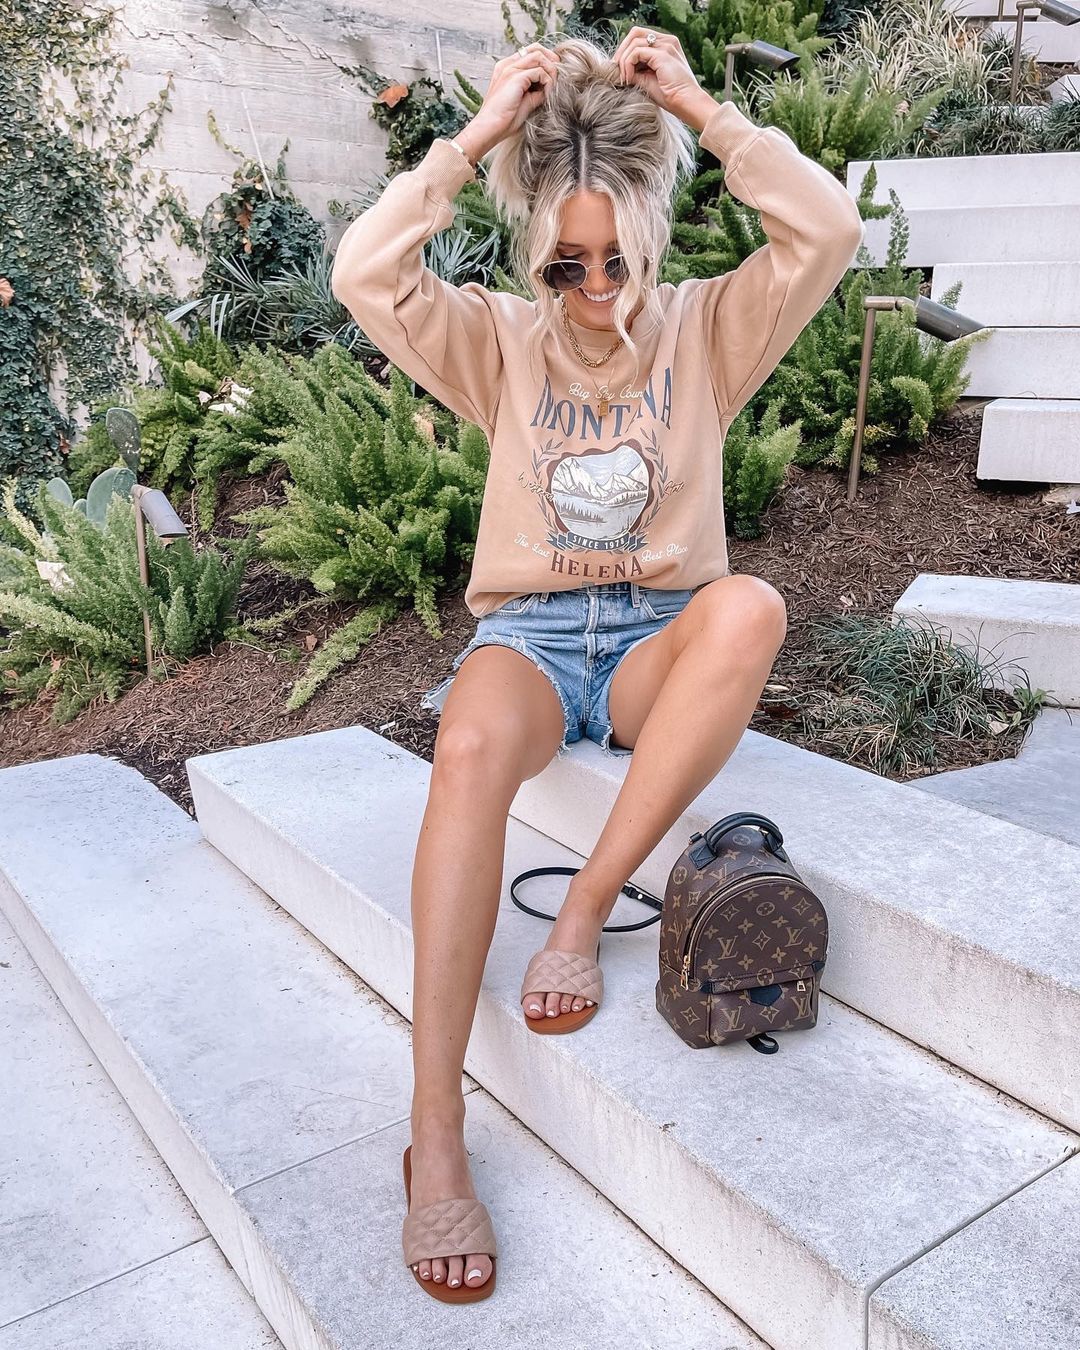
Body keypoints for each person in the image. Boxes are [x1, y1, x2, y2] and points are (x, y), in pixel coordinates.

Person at [330, 27, 863, 1302]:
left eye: (617, 258)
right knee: (466, 742)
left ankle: (583, 909)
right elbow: (363, 271)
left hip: (650, 642)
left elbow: (829, 229)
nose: (597, 289)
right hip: (528, 637)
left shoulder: (710, 330)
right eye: (567, 264)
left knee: (751, 608)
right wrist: (473, 137)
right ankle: (436, 1130)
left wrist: (700, 109)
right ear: (535, 254)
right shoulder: (499, 342)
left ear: (650, 242)